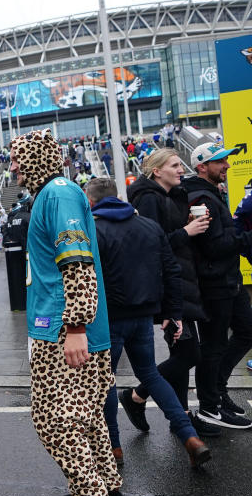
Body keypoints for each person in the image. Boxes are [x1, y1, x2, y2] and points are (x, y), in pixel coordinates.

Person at [10, 128, 132, 496]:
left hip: (67, 334)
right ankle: (107, 492)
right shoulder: (54, 193)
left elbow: (76, 262)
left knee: (56, 424)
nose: (14, 167)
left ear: (38, 158)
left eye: (19, 158)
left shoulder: (57, 193)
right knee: (87, 419)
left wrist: (76, 325)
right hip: (58, 330)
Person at [85, 178, 210, 468]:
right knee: (151, 374)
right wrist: (173, 312)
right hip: (143, 316)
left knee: (106, 383)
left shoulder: (93, 229)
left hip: (109, 320)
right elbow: (171, 271)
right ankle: (190, 437)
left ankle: (114, 448)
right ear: (116, 196)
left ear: (91, 202)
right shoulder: (149, 227)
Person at [124, 149, 218, 437]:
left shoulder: (168, 196)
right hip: (168, 288)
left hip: (181, 284)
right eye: (175, 165)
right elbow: (153, 244)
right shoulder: (149, 198)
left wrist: (187, 222)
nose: (181, 169)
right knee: (189, 354)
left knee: (183, 352)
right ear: (157, 171)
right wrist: (186, 231)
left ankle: (183, 419)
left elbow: (167, 233)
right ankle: (136, 396)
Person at [183, 142, 252, 429]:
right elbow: (212, 246)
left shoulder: (211, 193)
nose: (226, 166)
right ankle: (210, 405)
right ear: (203, 167)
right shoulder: (201, 199)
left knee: (246, 332)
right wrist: (247, 237)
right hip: (215, 285)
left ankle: (218, 391)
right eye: (220, 161)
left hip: (229, 280)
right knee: (213, 345)